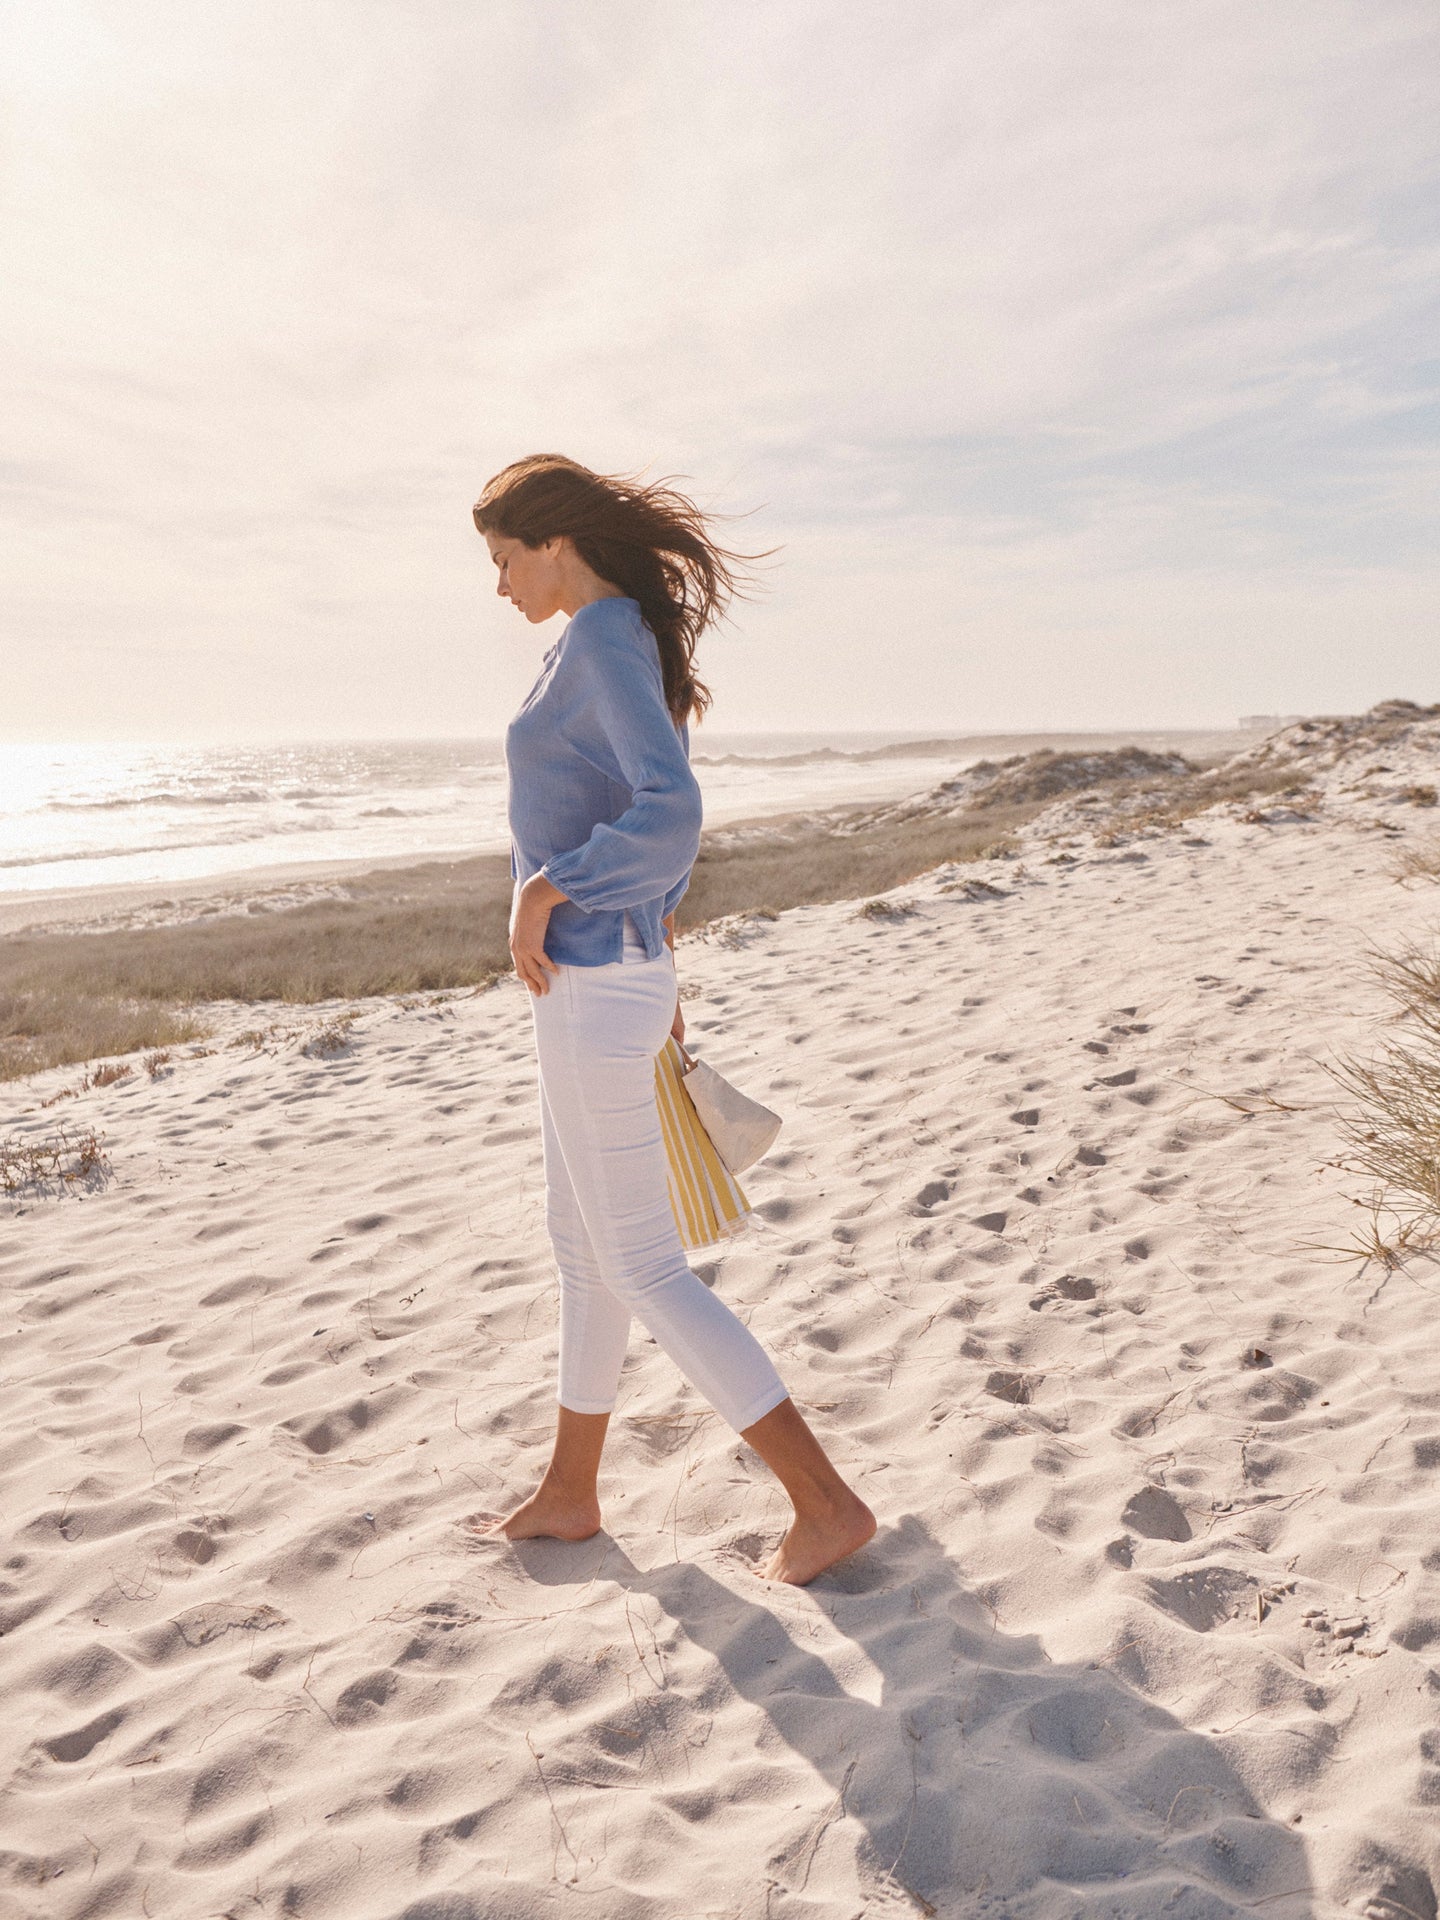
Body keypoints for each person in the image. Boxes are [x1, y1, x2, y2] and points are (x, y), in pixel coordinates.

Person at [469, 454, 876, 1585]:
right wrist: (650, 946)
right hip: (612, 979)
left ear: (554, 541)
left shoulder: (601, 638)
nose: (498, 587)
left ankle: (825, 1503)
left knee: (640, 1263)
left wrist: (551, 889)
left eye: (504, 561)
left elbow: (670, 811)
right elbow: (638, 807)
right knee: (583, 1250)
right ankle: (569, 1490)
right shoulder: (606, 639)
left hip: (597, 985)